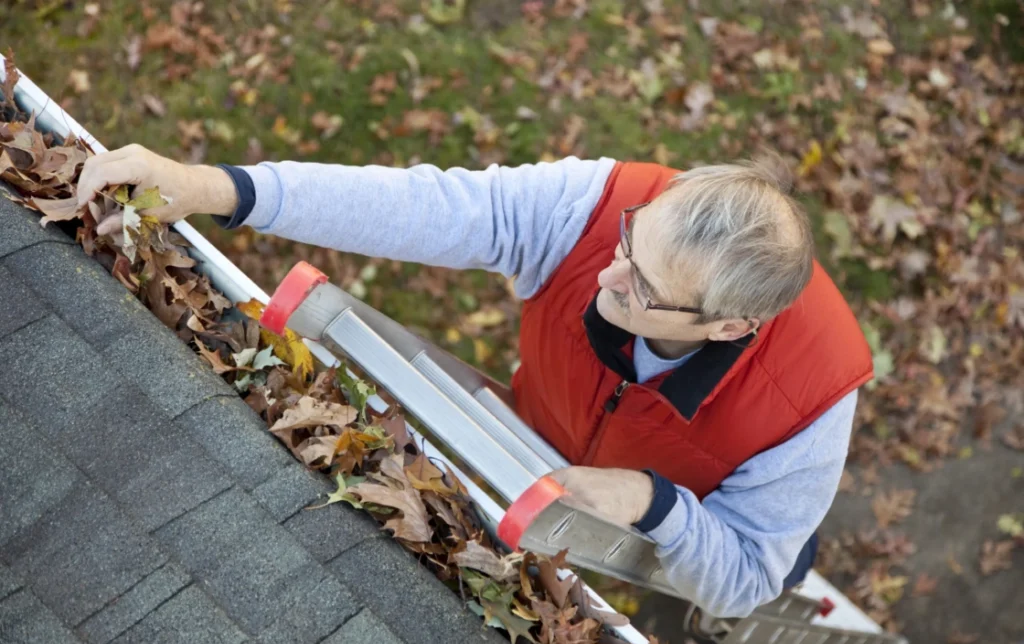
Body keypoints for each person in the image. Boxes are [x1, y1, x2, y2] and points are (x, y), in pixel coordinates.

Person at [75, 145, 871, 619]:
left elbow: (746, 577)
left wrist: (651, 503)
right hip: (540, 435)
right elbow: (428, 206)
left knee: (771, 571)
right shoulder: (602, 207)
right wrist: (217, 189)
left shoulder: (810, 403)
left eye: (645, 290)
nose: (607, 276)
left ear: (727, 328)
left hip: (678, 508)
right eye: (629, 243)